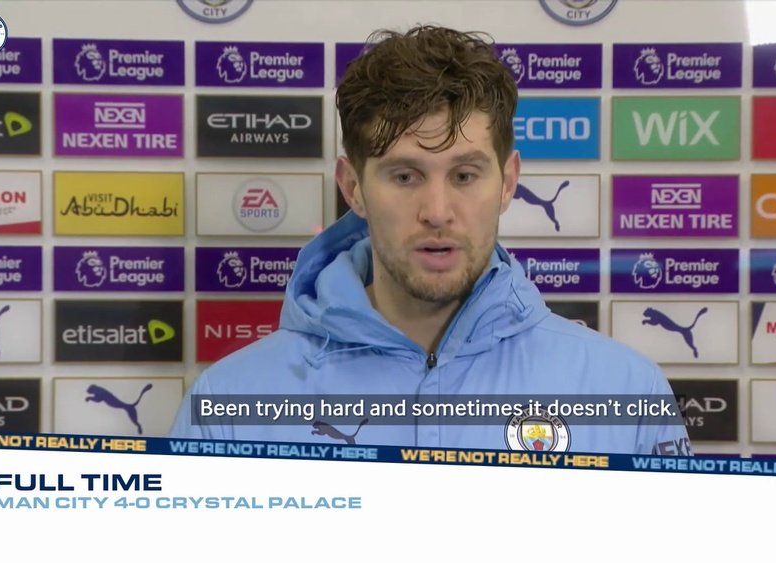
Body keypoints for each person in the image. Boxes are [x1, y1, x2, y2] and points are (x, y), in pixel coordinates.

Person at [170, 25, 691, 456]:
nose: (437, 213)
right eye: (404, 176)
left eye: (465, 176)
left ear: (508, 182)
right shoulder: (230, 404)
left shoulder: (624, 390)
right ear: (353, 187)